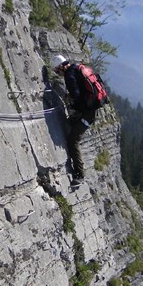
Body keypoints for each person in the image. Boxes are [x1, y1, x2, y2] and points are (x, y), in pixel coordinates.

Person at [51, 54, 96, 187]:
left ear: (60, 66)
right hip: (90, 109)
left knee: (72, 141)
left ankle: (80, 175)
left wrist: (71, 103)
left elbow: (76, 96)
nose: (56, 72)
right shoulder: (77, 67)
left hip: (87, 113)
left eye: (56, 70)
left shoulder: (69, 76)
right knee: (69, 124)